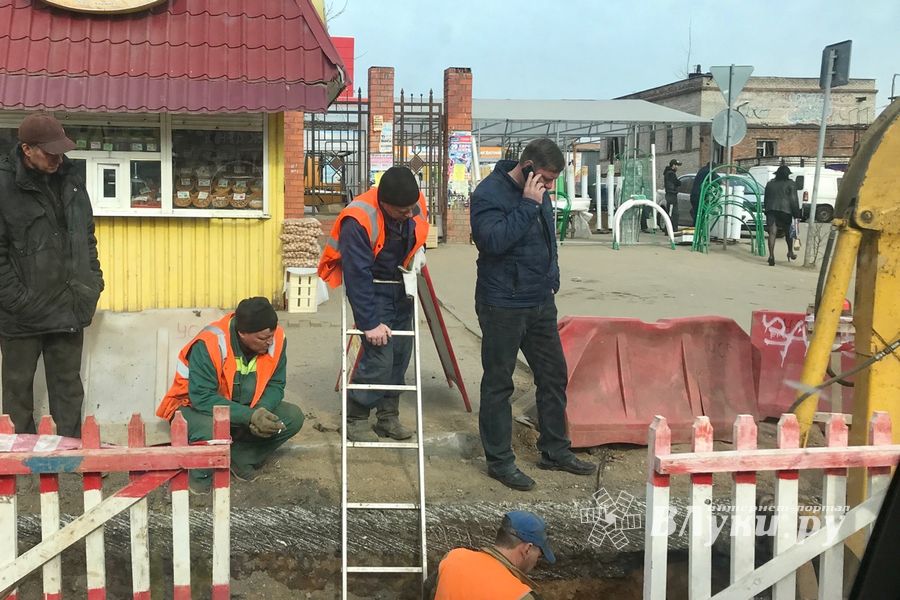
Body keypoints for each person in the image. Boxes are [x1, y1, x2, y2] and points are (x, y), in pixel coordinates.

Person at [469, 138, 596, 492]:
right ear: (526, 166)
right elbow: (492, 242)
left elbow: (546, 237)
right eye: (546, 178)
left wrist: (552, 277)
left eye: (553, 181)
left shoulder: (540, 193)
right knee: (499, 383)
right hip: (502, 304)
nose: (550, 186)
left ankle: (555, 450)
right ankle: (500, 461)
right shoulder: (489, 194)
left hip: (539, 300)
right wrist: (527, 204)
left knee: (553, 374)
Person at [0, 112, 104, 438]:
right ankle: (21, 462)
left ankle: (72, 456)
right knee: (17, 390)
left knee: (68, 386)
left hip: (69, 303)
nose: (58, 158)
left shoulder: (71, 176)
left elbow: (86, 234)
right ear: (27, 149)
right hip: (21, 312)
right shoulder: (4, 185)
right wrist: (17, 299)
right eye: (49, 151)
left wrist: (92, 282)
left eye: (61, 150)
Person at [318, 166, 429, 442]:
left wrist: (417, 259)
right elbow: (357, 275)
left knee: (400, 356)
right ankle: (355, 417)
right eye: (401, 211)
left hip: (401, 285)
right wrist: (369, 323)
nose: (408, 214)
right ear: (384, 203)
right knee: (378, 358)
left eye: (410, 209)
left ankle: (388, 417)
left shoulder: (413, 203)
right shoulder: (358, 219)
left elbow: (418, 230)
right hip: (372, 288)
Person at [156, 297, 304, 493]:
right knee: (212, 430)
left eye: (271, 335)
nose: (269, 342)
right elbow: (202, 398)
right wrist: (250, 416)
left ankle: (241, 458)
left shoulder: (276, 339)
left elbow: (276, 384)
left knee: (292, 417)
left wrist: (262, 410)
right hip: (193, 408)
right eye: (262, 338)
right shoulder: (209, 343)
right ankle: (199, 482)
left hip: (244, 407)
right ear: (242, 333)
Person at [423, 510, 554, 599]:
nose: (537, 559)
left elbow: (428, 591)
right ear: (527, 549)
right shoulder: (519, 595)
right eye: (539, 554)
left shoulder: (454, 558)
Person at [764, 164, 801, 266]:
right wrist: (796, 214)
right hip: (785, 211)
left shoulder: (770, 184)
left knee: (772, 233)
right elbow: (794, 200)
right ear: (788, 175)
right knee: (788, 232)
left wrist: (766, 209)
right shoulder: (791, 184)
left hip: (771, 210)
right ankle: (790, 251)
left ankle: (771, 256)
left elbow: (766, 198)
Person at [662, 159, 682, 231]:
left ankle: (669, 229)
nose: (677, 167)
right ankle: (669, 229)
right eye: (676, 165)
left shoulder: (668, 173)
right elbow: (676, 182)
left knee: (671, 212)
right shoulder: (671, 174)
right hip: (671, 195)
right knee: (672, 213)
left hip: (670, 195)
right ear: (673, 165)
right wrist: (678, 183)